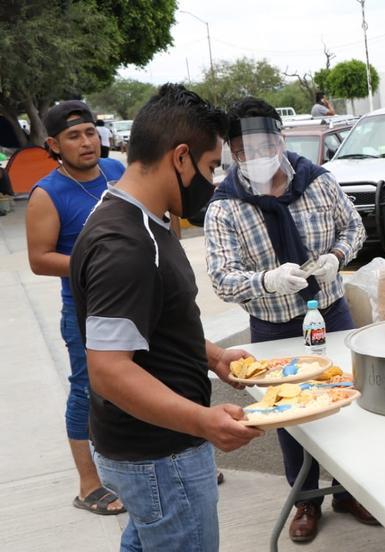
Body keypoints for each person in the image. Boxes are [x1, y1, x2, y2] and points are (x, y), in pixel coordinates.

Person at [69, 84, 263, 551]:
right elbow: (110, 371)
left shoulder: (139, 218)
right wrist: (203, 420)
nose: (214, 181)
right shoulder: (126, 244)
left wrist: (211, 355)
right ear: (180, 158)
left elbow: (152, 324)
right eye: (212, 166)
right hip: (160, 456)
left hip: (149, 452)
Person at [203, 97, 372, 543]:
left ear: (280, 139)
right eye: (243, 150)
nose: (256, 157)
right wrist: (267, 280)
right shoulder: (225, 206)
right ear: (232, 152)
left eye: (264, 145)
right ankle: (306, 500)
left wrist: (337, 257)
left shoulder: (317, 182)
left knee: (342, 403)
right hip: (274, 327)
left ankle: (349, 492)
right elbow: (222, 278)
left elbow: (353, 229)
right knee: (289, 416)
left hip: (332, 314)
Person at [26, 100, 126, 516]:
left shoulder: (118, 172)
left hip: (136, 301)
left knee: (153, 373)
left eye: (89, 132)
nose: (86, 142)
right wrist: (97, 262)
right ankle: (89, 483)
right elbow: (39, 259)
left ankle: (162, 459)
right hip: (86, 310)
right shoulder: (47, 194)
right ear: (53, 144)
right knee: (88, 390)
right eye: (73, 136)